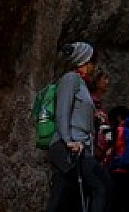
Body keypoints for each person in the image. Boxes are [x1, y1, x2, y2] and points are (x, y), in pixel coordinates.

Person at [46, 41, 109, 212]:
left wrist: (93, 116)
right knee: (102, 185)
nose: (94, 67)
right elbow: (62, 111)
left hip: (77, 147)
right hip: (70, 147)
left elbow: (76, 112)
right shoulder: (71, 79)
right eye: (93, 62)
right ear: (85, 61)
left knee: (64, 195)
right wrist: (68, 141)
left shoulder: (81, 84)